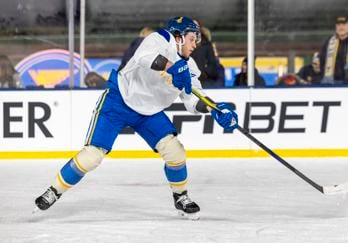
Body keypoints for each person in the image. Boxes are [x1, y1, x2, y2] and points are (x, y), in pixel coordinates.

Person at [34, 16, 238, 220]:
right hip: (119, 100)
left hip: (149, 112)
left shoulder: (191, 68)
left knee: (176, 152)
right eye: (193, 38)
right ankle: (54, 190)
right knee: (92, 156)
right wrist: (171, 66)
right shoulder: (161, 38)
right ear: (179, 36)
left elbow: (193, 100)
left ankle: (181, 196)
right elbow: (144, 57)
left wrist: (214, 109)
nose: (196, 44)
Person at [320, 16, 348, 84]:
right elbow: (322, 60)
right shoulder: (329, 42)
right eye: (338, 25)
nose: (341, 27)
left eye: (344, 25)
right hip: (332, 82)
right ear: (336, 27)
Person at [190, 20, 223, 87]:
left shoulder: (207, 45)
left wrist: (203, 73)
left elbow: (213, 65)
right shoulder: (184, 44)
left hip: (204, 82)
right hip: (190, 81)